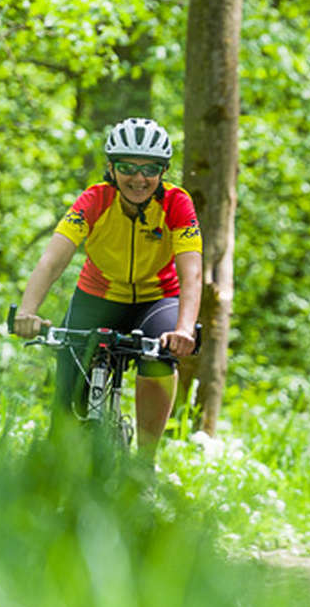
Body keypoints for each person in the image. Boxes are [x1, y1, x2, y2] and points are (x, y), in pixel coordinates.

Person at [12, 117, 202, 455]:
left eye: (151, 169)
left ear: (163, 172)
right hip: (97, 298)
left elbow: (192, 274)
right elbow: (52, 261)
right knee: (65, 405)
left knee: (159, 359)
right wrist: (28, 311)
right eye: (128, 167)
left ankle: (144, 465)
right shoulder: (94, 201)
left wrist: (185, 329)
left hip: (156, 300)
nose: (139, 178)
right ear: (111, 168)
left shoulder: (176, 203)